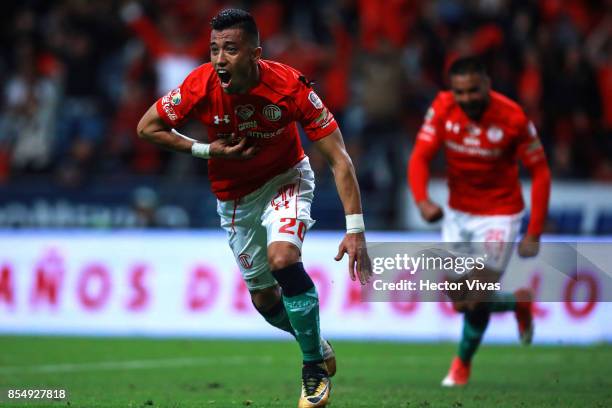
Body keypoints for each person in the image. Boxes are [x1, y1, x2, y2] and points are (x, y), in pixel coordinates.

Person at [136, 9, 371, 408]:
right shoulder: (200, 84)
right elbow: (146, 127)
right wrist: (205, 149)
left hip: (286, 179)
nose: (219, 59)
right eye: (214, 49)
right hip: (234, 199)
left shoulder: (290, 88)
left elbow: (340, 159)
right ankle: (314, 340)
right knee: (264, 301)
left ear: (254, 53)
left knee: (283, 258)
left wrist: (356, 229)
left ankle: (312, 369)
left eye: (230, 49)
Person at [408, 56, 551, 386]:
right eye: (460, 92)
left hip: (500, 216)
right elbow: (420, 156)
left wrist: (534, 231)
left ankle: (461, 365)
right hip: (457, 214)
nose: (467, 98)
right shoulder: (443, 108)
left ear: (487, 84)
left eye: (474, 90)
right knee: (460, 299)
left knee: (474, 297)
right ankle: (517, 302)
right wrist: (422, 200)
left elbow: (541, 172)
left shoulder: (512, 117)